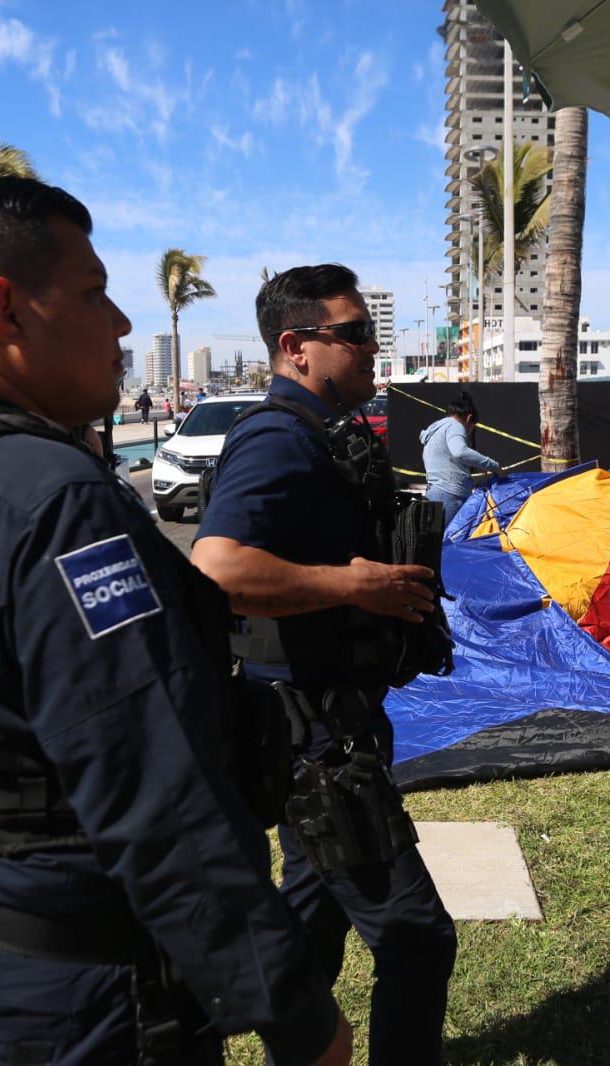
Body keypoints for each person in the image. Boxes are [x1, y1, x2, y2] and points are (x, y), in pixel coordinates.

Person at [0, 177, 350, 1066]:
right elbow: (156, 793)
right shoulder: (48, 499)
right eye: (94, 293)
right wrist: (294, 1015)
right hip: (75, 994)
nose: (123, 324)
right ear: (5, 309)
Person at [192, 264, 458, 1065]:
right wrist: (355, 585)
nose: (373, 350)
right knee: (416, 937)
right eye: (354, 335)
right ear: (295, 346)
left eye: (371, 334)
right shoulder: (278, 436)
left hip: (330, 719)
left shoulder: (324, 434)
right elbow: (216, 570)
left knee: (310, 919)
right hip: (315, 737)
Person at [418, 391, 500, 524]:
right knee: (452, 542)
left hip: (434, 493)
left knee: (438, 542)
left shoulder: (437, 428)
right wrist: (492, 465)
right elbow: (460, 451)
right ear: (469, 418)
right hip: (450, 496)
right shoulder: (455, 426)